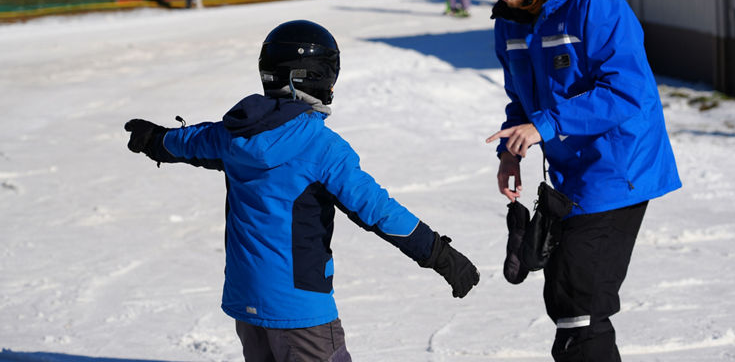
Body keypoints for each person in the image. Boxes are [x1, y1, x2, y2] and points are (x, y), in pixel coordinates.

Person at [124, 20, 480, 361]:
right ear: (314, 79)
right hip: (300, 308)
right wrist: (441, 256)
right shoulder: (321, 148)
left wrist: (153, 139)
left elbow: (185, 143)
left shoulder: (230, 134)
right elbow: (379, 211)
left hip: (245, 299)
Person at [461, 0, 681, 361]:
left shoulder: (595, 5)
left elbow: (628, 91)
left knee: (578, 300)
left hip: (619, 166)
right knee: (565, 296)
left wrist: (545, 125)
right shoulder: (510, 21)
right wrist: (510, 151)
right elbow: (521, 97)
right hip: (571, 174)